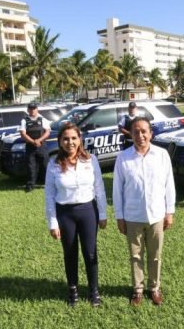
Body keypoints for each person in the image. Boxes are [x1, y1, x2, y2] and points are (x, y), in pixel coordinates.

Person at [113, 117, 175, 307]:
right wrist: (120, 216)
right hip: (132, 216)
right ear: (130, 134)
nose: (140, 135)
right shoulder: (123, 157)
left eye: (144, 131)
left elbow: (169, 185)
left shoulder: (162, 155)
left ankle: (154, 288)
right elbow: (117, 189)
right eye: (136, 132)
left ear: (151, 133)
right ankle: (138, 290)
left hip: (157, 214)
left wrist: (169, 211)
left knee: (155, 255)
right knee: (135, 255)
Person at [45, 122, 108, 307]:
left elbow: (99, 188)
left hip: (88, 211)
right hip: (65, 214)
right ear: (60, 141)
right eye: (65, 138)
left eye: (74, 138)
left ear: (80, 139)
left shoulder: (91, 160)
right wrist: (53, 223)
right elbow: (49, 194)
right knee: (70, 254)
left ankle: (94, 291)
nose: (70, 142)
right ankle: (73, 291)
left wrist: (102, 213)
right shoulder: (53, 164)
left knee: (90, 253)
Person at [19, 103, 51, 192]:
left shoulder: (43, 119)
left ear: (37, 109)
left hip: (41, 145)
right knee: (31, 166)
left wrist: (39, 140)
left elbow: (47, 132)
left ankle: (48, 184)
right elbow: (23, 134)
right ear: (28, 110)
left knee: (45, 165)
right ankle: (30, 185)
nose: (33, 110)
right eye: (31, 109)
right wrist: (33, 142)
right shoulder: (24, 121)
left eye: (34, 108)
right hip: (30, 146)